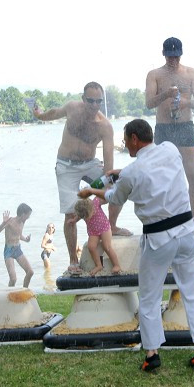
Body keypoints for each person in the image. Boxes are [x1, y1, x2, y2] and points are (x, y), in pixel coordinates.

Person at [80, 119, 194, 372]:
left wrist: (90, 193)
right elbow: (153, 172)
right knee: (193, 293)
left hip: (159, 240)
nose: (124, 143)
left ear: (134, 139)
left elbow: (114, 196)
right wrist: (121, 173)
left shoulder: (132, 172)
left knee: (150, 298)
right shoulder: (170, 149)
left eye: (126, 139)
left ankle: (152, 354)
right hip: (185, 233)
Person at [32, 82, 128, 274]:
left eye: (98, 101)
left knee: (120, 182)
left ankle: (113, 225)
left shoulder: (105, 127)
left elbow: (109, 169)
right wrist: (40, 115)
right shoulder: (72, 108)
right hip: (66, 165)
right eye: (90, 101)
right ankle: (73, 260)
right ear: (83, 99)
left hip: (90, 163)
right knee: (70, 212)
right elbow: (54, 112)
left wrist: (100, 193)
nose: (94, 105)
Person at [145, 37, 194, 238]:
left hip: (185, 127)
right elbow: (149, 103)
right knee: (161, 180)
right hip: (164, 128)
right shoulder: (154, 74)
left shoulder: (192, 73)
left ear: (181, 54)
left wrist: (185, 102)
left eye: (177, 56)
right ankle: (165, 222)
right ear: (163, 54)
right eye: (170, 57)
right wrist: (166, 95)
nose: (174, 60)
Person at [73, 197, 122, 276]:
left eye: (87, 216)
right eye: (84, 218)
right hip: (93, 231)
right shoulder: (84, 212)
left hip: (104, 228)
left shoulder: (95, 202)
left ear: (91, 209)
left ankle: (116, 265)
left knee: (107, 246)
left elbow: (105, 197)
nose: (86, 219)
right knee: (91, 246)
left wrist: (111, 197)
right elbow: (78, 216)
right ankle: (99, 265)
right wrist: (73, 220)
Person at [0, 204, 34, 288]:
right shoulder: (10, 221)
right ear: (23, 214)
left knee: (30, 272)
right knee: (13, 279)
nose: (28, 217)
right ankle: (9, 296)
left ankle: (24, 292)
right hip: (8, 251)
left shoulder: (23, 222)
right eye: (28, 215)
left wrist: (26, 239)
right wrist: (3, 223)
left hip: (18, 250)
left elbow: (19, 235)